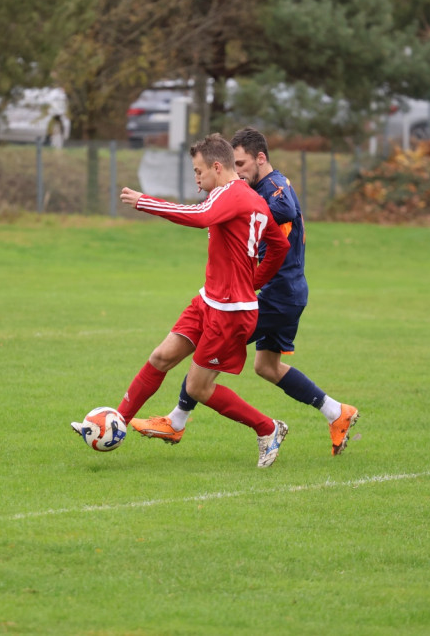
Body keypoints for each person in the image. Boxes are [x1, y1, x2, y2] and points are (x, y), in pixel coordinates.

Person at [131, 127, 360, 456]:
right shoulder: (254, 189)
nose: (237, 172)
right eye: (233, 165)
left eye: (241, 164)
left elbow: (285, 211)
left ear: (261, 159)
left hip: (274, 294)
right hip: (285, 292)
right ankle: (337, 412)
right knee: (266, 367)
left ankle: (177, 421)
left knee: (204, 352)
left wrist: (243, 205)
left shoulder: (274, 187)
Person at [73, 133, 291, 467]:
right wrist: (253, 281)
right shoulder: (249, 198)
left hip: (230, 312)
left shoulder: (230, 194)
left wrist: (144, 201)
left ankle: (268, 428)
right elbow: (279, 246)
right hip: (210, 301)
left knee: (199, 388)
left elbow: (199, 216)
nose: (197, 178)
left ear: (217, 167)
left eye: (198, 171)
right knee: (161, 356)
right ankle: (115, 423)